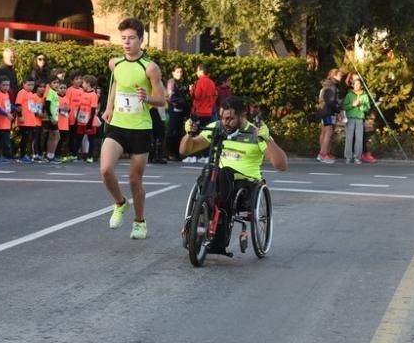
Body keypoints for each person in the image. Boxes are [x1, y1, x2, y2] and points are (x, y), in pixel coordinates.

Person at [179, 95, 289, 255]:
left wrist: (266, 139)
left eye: (230, 118)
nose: (225, 122)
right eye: (223, 117)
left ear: (242, 115)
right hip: (216, 180)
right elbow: (185, 150)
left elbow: (281, 165)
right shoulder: (217, 127)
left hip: (245, 183)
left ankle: (217, 220)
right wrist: (189, 134)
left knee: (224, 172)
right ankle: (200, 218)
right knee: (208, 172)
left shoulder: (255, 132)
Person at [101, 18, 166, 239]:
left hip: (140, 128)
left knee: (134, 180)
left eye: (131, 39)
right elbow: (116, 85)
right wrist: (109, 108)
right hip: (118, 125)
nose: (127, 43)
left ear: (141, 39)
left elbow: (162, 100)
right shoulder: (115, 63)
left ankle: (139, 222)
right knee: (105, 170)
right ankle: (120, 203)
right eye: (124, 39)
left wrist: (147, 98)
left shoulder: (150, 67)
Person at [316, 68, 343, 163]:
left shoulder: (327, 85)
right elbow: (331, 101)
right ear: (333, 75)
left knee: (324, 132)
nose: (341, 77)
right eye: (339, 75)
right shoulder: (332, 86)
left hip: (323, 111)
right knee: (329, 132)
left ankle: (324, 152)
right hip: (327, 111)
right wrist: (338, 110)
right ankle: (323, 154)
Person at [343, 75, 371, 164]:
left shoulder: (365, 96)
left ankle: (357, 157)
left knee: (359, 139)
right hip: (350, 118)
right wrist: (352, 105)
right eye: (356, 84)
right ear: (353, 85)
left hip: (359, 118)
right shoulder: (349, 95)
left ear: (361, 86)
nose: (357, 86)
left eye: (359, 84)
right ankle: (348, 157)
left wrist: (360, 106)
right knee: (349, 138)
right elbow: (344, 106)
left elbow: (367, 108)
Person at [15, 78, 43, 163]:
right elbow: (18, 105)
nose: (31, 87)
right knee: (24, 138)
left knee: (29, 138)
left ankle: (28, 154)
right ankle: (22, 154)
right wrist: (20, 116)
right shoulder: (21, 93)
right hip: (24, 120)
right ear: (24, 84)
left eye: (32, 85)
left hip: (31, 120)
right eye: (28, 85)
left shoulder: (31, 94)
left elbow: (32, 106)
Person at [166, 66, 188, 161]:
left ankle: (177, 153)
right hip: (174, 110)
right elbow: (170, 97)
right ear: (173, 73)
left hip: (180, 111)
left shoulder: (180, 83)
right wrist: (180, 103)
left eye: (181, 71)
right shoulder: (172, 82)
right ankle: (171, 153)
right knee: (172, 132)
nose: (180, 73)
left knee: (179, 132)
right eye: (178, 72)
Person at [0, 78, 14, 162]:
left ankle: (2, 155)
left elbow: (8, 104)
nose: (6, 87)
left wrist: (15, 108)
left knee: (5, 140)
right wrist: (6, 114)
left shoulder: (6, 94)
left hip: (6, 123)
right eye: (4, 85)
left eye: (7, 85)